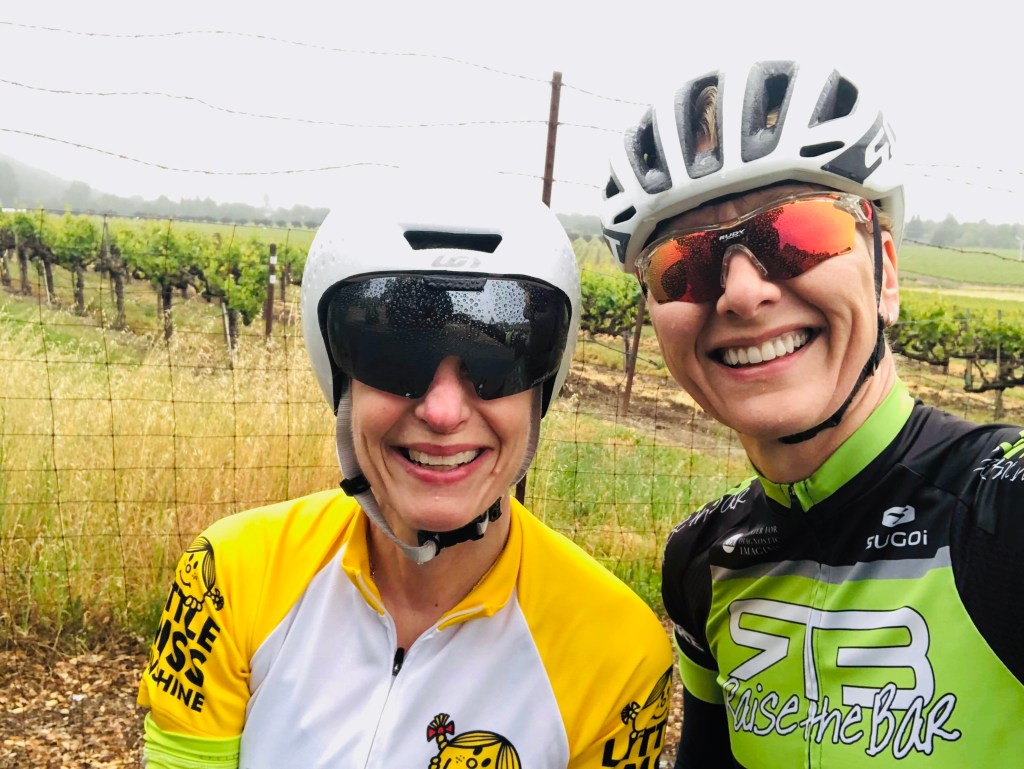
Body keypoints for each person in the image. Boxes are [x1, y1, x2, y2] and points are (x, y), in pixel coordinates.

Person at [137, 176, 673, 768]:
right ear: (344, 387)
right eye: (394, 359)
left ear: (538, 395)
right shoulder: (229, 574)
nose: (443, 413)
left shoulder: (619, 653)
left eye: (497, 365)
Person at [599, 59, 1024, 767]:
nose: (742, 294)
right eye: (686, 263)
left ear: (887, 273)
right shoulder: (702, 562)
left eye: (796, 233)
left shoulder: (1001, 513)